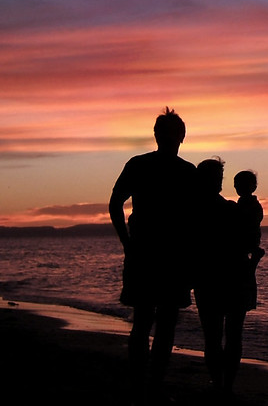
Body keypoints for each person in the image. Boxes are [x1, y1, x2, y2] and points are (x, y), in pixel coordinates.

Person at [108, 107, 197, 403]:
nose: (172, 139)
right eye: (169, 134)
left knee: (154, 321)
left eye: (173, 134)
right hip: (150, 253)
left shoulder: (182, 170)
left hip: (164, 255)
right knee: (150, 321)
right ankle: (145, 384)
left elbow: (198, 217)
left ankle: (148, 384)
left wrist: (127, 243)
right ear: (161, 136)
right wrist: (127, 242)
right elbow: (115, 204)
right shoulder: (153, 167)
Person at [194, 159, 260, 397]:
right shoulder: (229, 209)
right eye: (218, 178)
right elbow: (250, 240)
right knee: (229, 334)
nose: (220, 183)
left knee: (216, 335)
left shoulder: (196, 210)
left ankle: (221, 385)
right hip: (228, 276)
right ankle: (225, 386)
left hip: (212, 277)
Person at [233, 170, 265, 311]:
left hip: (247, 244)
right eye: (237, 185)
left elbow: (249, 225)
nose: (240, 187)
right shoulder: (240, 204)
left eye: (244, 184)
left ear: (253, 187)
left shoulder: (252, 206)